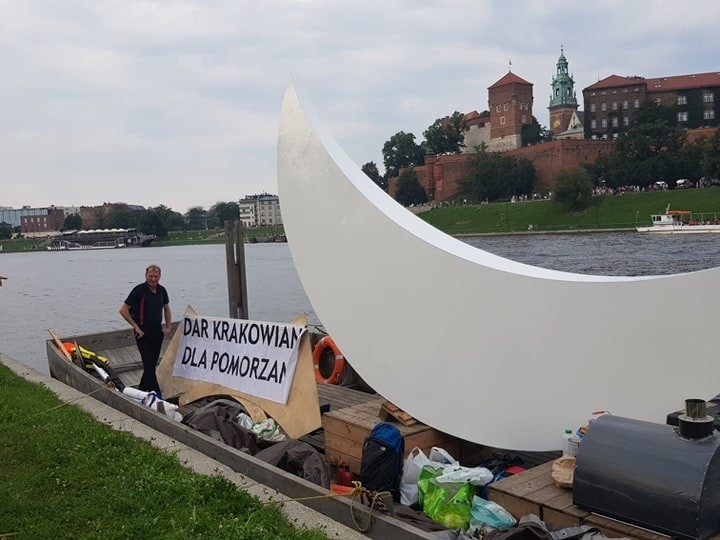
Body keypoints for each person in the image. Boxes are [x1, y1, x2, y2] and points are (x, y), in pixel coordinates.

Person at [119, 264, 171, 394]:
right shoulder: (139, 290)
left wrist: (168, 326)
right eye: (150, 276)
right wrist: (136, 327)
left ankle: (141, 391)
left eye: (155, 276)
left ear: (160, 276)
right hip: (142, 333)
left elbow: (167, 309)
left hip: (157, 333)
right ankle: (157, 394)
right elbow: (123, 310)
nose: (153, 279)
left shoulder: (161, 290)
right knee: (148, 365)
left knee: (151, 366)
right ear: (146, 276)